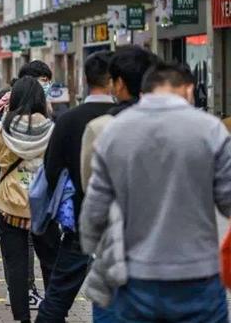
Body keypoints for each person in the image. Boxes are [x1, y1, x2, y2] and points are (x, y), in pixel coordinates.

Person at [81, 62, 231, 322]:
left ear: (144, 91)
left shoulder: (113, 131)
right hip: (197, 278)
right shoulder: (211, 129)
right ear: (188, 89)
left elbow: (93, 213)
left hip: (130, 279)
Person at [79, 46, 158, 322]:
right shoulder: (198, 128)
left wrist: (89, 242)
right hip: (183, 267)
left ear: (119, 83)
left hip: (120, 254)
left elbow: (92, 192)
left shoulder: (102, 128)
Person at [35, 51, 114, 321]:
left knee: (58, 296)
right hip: (122, 225)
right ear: (115, 81)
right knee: (113, 294)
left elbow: (51, 168)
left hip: (78, 221)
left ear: (84, 79)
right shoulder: (126, 117)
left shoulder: (68, 119)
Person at [0, 77, 61, 323]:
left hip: (9, 202)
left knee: (16, 263)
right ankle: (52, 313)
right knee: (49, 260)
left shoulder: (1, 128)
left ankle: (22, 317)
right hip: (44, 202)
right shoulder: (52, 128)